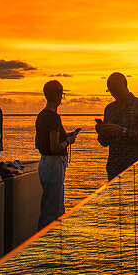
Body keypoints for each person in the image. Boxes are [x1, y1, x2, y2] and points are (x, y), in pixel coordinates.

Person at [35, 80, 80, 229]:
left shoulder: (41, 115)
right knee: (53, 210)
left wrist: (64, 137)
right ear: (60, 96)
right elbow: (54, 147)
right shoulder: (54, 118)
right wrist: (68, 141)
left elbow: (40, 143)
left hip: (44, 162)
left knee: (50, 205)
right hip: (54, 163)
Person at [95, 72, 138, 180]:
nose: (113, 93)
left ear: (125, 85)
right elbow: (104, 143)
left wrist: (122, 131)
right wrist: (102, 132)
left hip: (137, 170)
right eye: (111, 90)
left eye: (116, 89)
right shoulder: (109, 109)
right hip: (114, 170)